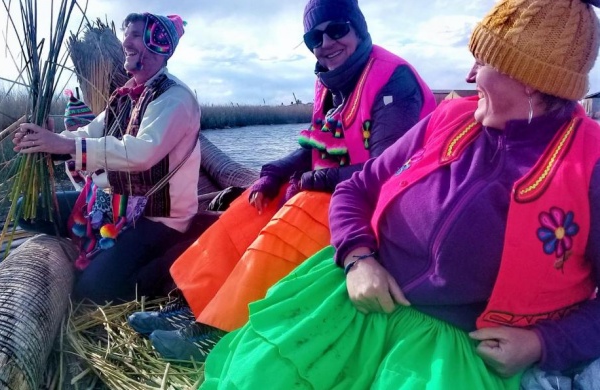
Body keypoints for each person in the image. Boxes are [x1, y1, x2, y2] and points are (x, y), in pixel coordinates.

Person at [200, 0, 600, 388]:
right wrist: (358, 259)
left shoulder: (591, 164)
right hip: (355, 302)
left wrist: (542, 344)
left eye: (483, 62)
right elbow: (356, 187)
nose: (469, 76)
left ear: (530, 77)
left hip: (446, 350)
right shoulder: (449, 119)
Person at [129, 0, 436, 361]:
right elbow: (318, 145)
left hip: (385, 201)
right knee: (252, 205)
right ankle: (195, 304)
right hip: (340, 187)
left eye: (337, 30)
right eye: (314, 38)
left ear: (358, 28)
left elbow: (387, 168)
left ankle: (218, 331)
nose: (326, 43)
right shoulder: (329, 80)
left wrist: (315, 180)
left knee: (299, 211)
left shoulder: (392, 81)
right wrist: (277, 171)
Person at [12, 12, 201, 304]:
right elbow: (88, 133)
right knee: (28, 208)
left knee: (93, 291)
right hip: (113, 204)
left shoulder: (175, 99)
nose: (126, 41)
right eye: (127, 33)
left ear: (159, 45)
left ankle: (174, 261)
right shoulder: (125, 97)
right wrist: (47, 142)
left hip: (157, 218)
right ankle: (102, 250)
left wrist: (65, 145)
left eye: (136, 35)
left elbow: (141, 152)